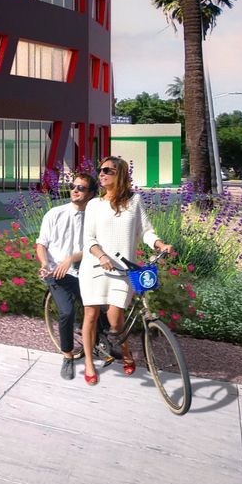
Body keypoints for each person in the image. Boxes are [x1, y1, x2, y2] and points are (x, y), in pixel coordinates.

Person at [78, 154, 172, 385]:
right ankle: (90, 363)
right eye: (100, 170)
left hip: (122, 270)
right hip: (95, 267)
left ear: (119, 173)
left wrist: (160, 244)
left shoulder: (134, 201)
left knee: (116, 318)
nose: (101, 174)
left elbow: (146, 231)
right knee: (90, 314)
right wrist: (101, 256)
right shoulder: (94, 205)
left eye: (107, 170)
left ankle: (126, 352)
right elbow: (88, 239)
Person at [37, 170, 92, 378]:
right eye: (73, 187)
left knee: (100, 308)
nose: (75, 191)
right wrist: (44, 264)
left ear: (92, 193)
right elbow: (41, 244)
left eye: (81, 188)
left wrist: (72, 259)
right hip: (57, 272)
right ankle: (68, 355)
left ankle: (100, 342)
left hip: (85, 271)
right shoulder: (55, 214)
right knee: (67, 312)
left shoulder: (95, 217)